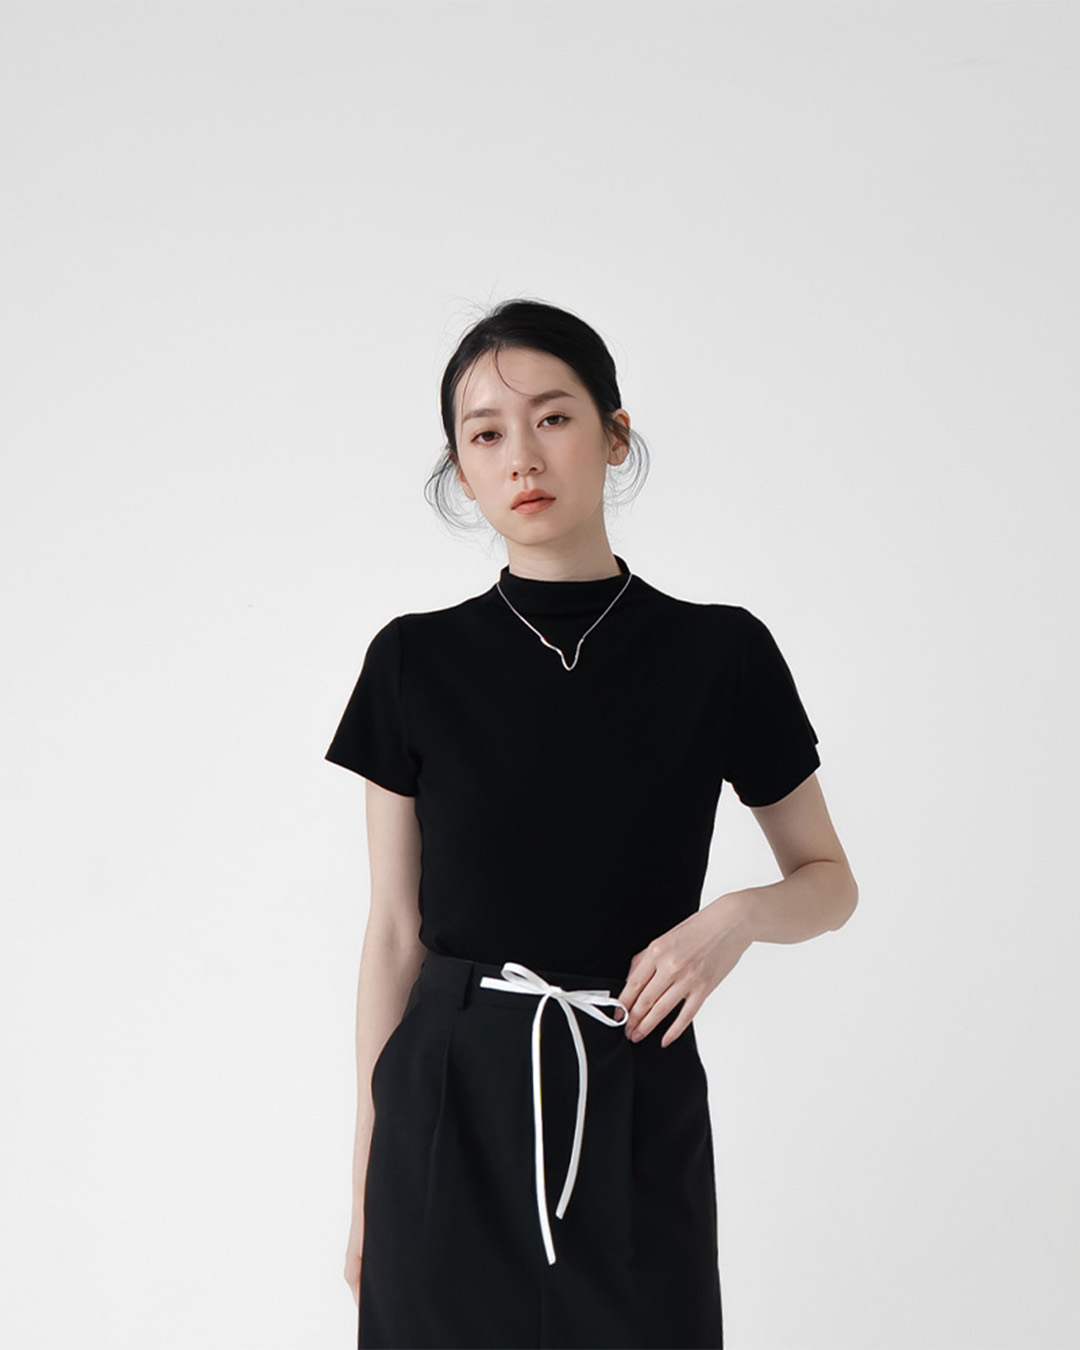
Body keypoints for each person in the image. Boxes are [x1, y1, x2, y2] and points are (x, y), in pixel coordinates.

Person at [326, 298, 858, 1349]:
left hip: (632, 1088)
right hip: (445, 1111)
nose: (522, 456)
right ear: (461, 470)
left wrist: (733, 920)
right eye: (486, 434)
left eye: (554, 418)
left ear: (615, 435)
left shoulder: (720, 654)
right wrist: (364, 1186)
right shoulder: (413, 662)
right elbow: (392, 935)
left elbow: (829, 882)